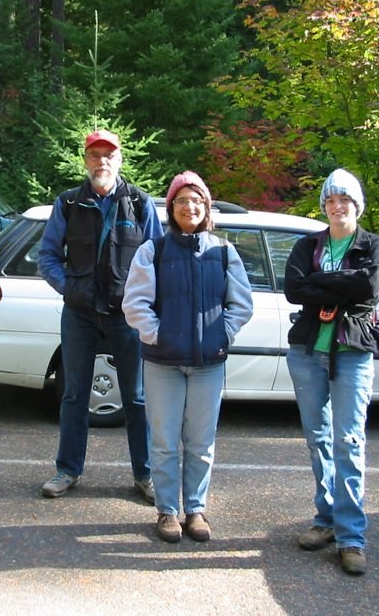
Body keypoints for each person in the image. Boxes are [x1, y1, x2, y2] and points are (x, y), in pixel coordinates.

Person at [122, 171, 254, 543]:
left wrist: (221, 333)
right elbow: (135, 304)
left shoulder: (223, 251)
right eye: (182, 200)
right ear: (172, 208)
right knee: (163, 441)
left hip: (208, 365)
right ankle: (167, 511)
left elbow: (241, 304)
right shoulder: (154, 250)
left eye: (197, 200)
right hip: (162, 363)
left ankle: (195, 509)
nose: (190, 206)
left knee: (200, 442)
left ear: (207, 207)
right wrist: (158, 336)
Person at [38, 129, 163, 501]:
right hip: (79, 314)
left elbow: (156, 259)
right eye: (95, 155)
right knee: (74, 395)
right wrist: (70, 290)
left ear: (120, 159)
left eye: (108, 155)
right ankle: (67, 470)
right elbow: (47, 257)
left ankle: (147, 475)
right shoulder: (67, 204)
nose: (102, 162)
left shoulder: (140, 203)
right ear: (85, 159)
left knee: (138, 398)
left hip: (127, 317)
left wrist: (141, 303)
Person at [283, 169, 379, 576]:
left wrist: (321, 283)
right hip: (308, 350)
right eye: (331, 200)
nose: (337, 206)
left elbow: (370, 287)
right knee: (318, 439)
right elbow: (294, 288)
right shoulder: (307, 244)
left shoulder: (373, 245)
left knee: (348, 440)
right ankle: (325, 519)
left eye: (345, 200)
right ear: (324, 206)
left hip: (353, 351)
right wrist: (341, 285)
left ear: (357, 205)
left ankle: (351, 537)